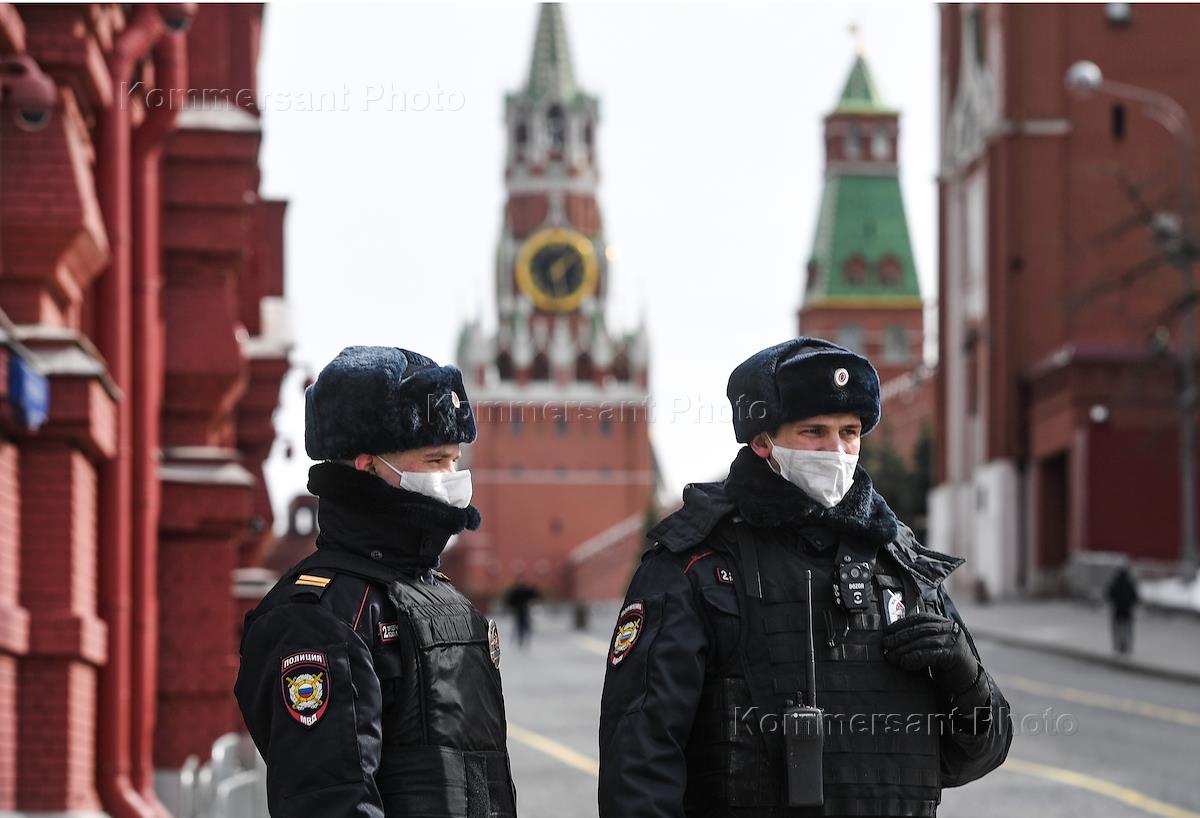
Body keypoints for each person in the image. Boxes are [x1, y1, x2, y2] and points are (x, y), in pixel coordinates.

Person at [598, 337, 1012, 818]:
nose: (836, 451)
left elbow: (975, 755)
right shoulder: (696, 566)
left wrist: (964, 675)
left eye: (849, 432)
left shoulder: (900, 562)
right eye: (814, 432)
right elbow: (640, 761)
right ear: (762, 441)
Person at [234, 346, 517, 817]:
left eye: (455, 458)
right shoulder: (317, 617)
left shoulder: (446, 599)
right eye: (435, 460)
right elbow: (331, 801)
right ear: (367, 465)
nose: (453, 477)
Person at [1105, 565, 1139, 655]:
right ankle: (1127, 646)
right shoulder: (1130, 584)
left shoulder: (1114, 583)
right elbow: (1135, 598)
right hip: (1127, 612)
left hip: (1117, 611)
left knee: (1117, 630)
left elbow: (1108, 595)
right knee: (1127, 630)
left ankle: (1117, 646)